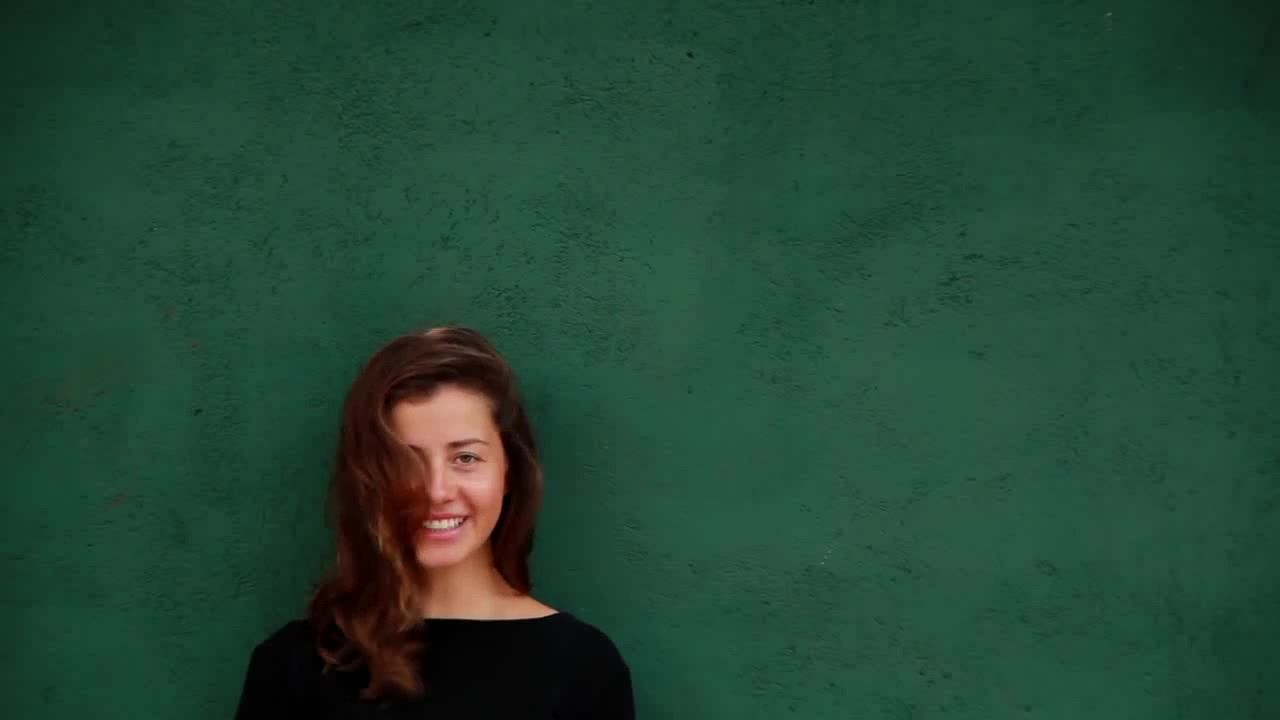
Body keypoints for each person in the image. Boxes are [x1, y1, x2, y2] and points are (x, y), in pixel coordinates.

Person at [233, 326, 635, 718]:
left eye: (466, 458)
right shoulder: (293, 665)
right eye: (405, 462)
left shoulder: (582, 668)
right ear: (368, 481)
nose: (436, 491)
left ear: (509, 471)